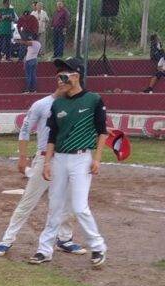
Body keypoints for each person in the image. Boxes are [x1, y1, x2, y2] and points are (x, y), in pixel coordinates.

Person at [30, 57, 108, 267]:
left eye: (65, 73)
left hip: (82, 158)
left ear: (77, 75)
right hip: (59, 159)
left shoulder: (93, 99)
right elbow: (52, 136)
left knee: (80, 207)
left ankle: (98, 246)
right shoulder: (58, 104)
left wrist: (97, 159)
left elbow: (102, 132)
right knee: (54, 205)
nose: (60, 77)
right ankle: (44, 250)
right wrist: (47, 162)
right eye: (59, 73)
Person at [0, 87, 85, 257]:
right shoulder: (41, 104)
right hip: (44, 158)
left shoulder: (77, 104)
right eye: (61, 78)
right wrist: (22, 157)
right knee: (28, 200)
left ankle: (64, 239)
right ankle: (7, 239)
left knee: (70, 202)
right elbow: (25, 130)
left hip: (69, 159)